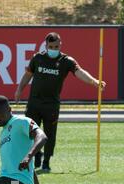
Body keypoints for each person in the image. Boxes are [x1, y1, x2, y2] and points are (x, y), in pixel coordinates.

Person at [15, 32, 106, 172]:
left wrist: (94, 82)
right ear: (46, 46)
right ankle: (37, 155)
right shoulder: (37, 58)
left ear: (60, 45)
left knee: (50, 134)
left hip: (51, 105)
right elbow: (28, 75)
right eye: (51, 46)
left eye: (56, 46)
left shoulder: (66, 61)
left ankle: (46, 162)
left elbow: (80, 72)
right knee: (32, 132)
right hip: (34, 103)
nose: (53, 49)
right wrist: (19, 89)